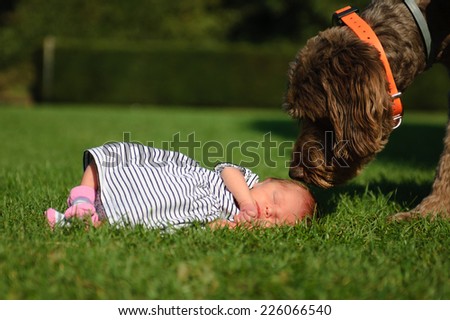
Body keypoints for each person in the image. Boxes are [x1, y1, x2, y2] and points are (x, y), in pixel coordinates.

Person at [45, 142, 316, 230]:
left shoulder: (237, 223)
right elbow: (227, 170)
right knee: (117, 158)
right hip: (174, 180)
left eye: (278, 219)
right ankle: (82, 199)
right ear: (265, 182)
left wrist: (234, 226)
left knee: (145, 219)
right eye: (275, 198)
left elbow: (212, 227)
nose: (270, 210)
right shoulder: (246, 182)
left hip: (174, 206)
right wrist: (244, 200)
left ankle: (80, 221)